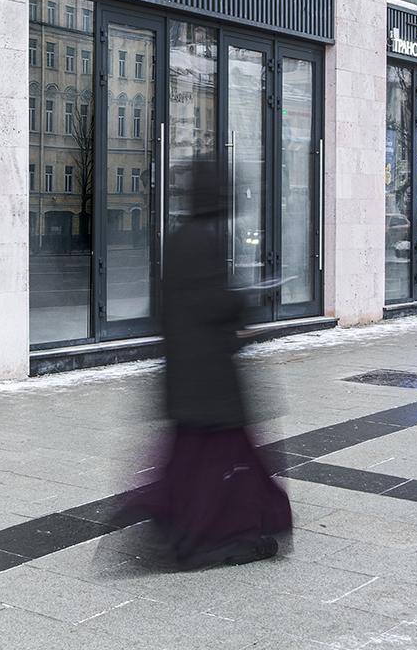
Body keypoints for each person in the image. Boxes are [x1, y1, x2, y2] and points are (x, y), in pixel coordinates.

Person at [124, 158, 291, 569]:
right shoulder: (201, 241)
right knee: (217, 464)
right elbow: (209, 304)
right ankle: (212, 536)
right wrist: (245, 301)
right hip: (208, 383)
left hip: (192, 381)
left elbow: (183, 308)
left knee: (196, 465)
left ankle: (191, 528)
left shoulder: (183, 237)